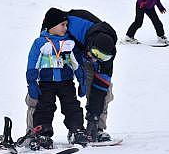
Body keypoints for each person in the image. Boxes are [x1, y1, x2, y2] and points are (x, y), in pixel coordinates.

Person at [41, 8, 117, 142]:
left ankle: (96, 129)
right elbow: (51, 29)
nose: (97, 58)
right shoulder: (74, 25)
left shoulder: (105, 57)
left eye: (102, 57)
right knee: (43, 88)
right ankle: (34, 131)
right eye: (96, 54)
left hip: (83, 56)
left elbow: (101, 87)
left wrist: (94, 116)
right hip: (62, 53)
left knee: (104, 91)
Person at [25, 8, 88, 148]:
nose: (65, 28)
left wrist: (81, 80)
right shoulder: (40, 43)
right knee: (45, 107)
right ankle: (43, 133)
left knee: (72, 106)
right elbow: (32, 63)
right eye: (62, 25)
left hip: (66, 83)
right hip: (46, 83)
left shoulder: (69, 43)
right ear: (52, 25)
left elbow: (76, 63)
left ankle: (76, 130)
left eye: (66, 25)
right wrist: (32, 83)